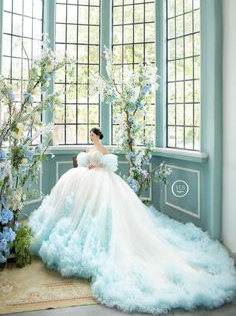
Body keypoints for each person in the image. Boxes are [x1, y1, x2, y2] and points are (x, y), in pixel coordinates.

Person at [29, 128, 236, 314]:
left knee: (106, 209)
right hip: (87, 179)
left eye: (93, 135)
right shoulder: (88, 147)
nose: (91, 138)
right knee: (78, 201)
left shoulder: (104, 148)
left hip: (101, 180)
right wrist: (86, 163)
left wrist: (96, 163)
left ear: (99, 136)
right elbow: (84, 160)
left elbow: (108, 166)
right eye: (90, 136)